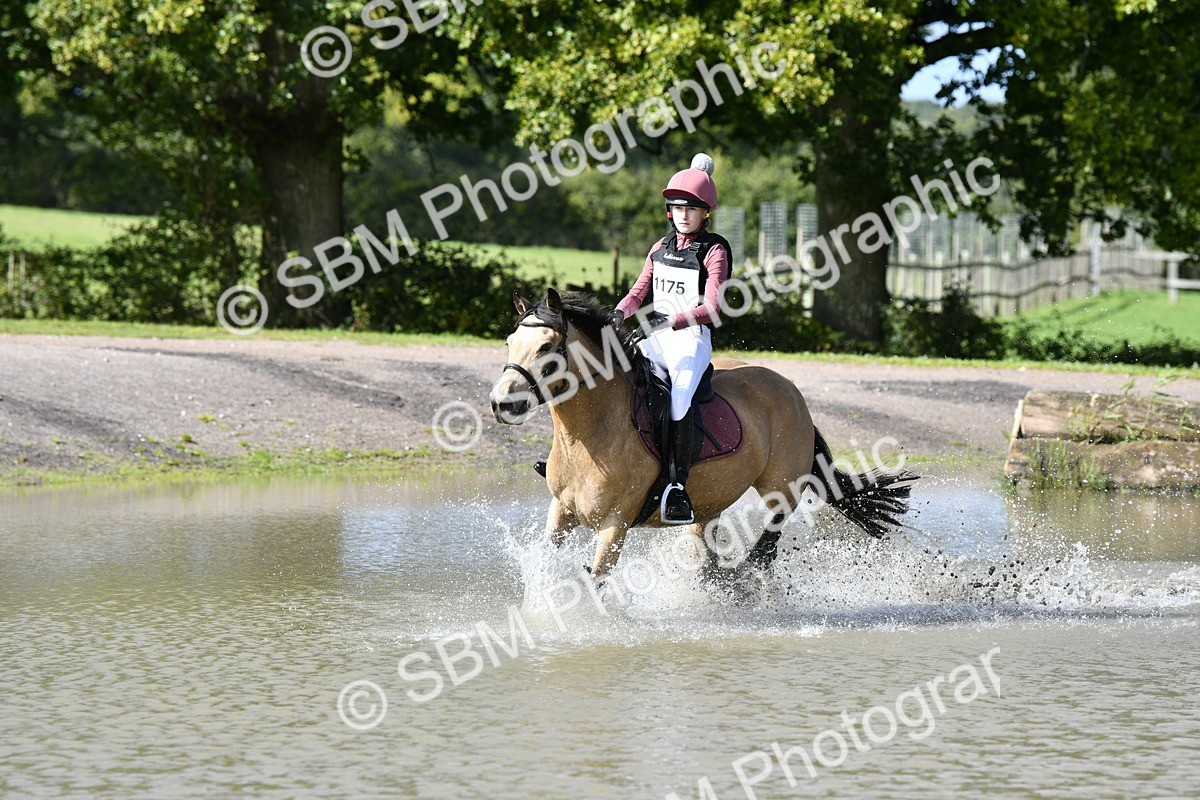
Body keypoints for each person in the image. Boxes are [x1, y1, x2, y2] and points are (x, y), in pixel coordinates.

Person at [608, 153, 731, 524]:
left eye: (692, 208)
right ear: (669, 210)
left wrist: (674, 320)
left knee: (678, 402)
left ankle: (676, 486)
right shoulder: (659, 248)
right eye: (677, 207)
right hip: (657, 338)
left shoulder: (714, 250)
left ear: (705, 212)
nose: (684, 214)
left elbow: (712, 308)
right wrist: (618, 313)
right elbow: (637, 292)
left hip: (691, 339)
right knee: (616, 375)